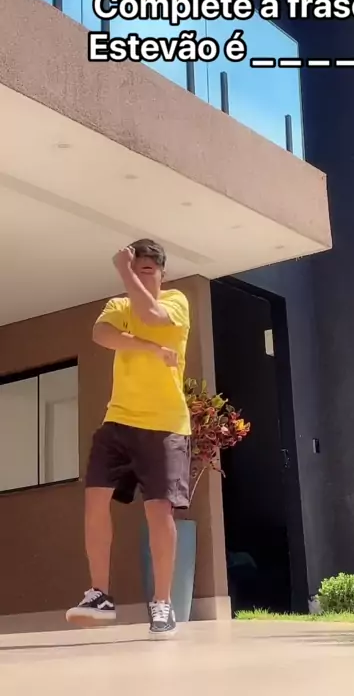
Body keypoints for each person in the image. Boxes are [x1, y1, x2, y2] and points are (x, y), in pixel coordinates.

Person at [66, 239, 191, 638]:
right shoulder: (119, 306)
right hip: (118, 419)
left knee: (159, 511)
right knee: (94, 499)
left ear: (163, 273)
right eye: (135, 271)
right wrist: (150, 348)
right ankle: (100, 596)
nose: (139, 278)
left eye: (147, 271)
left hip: (165, 423)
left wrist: (123, 269)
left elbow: (152, 314)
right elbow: (101, 334)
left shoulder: (176, 301)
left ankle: (163, 603)